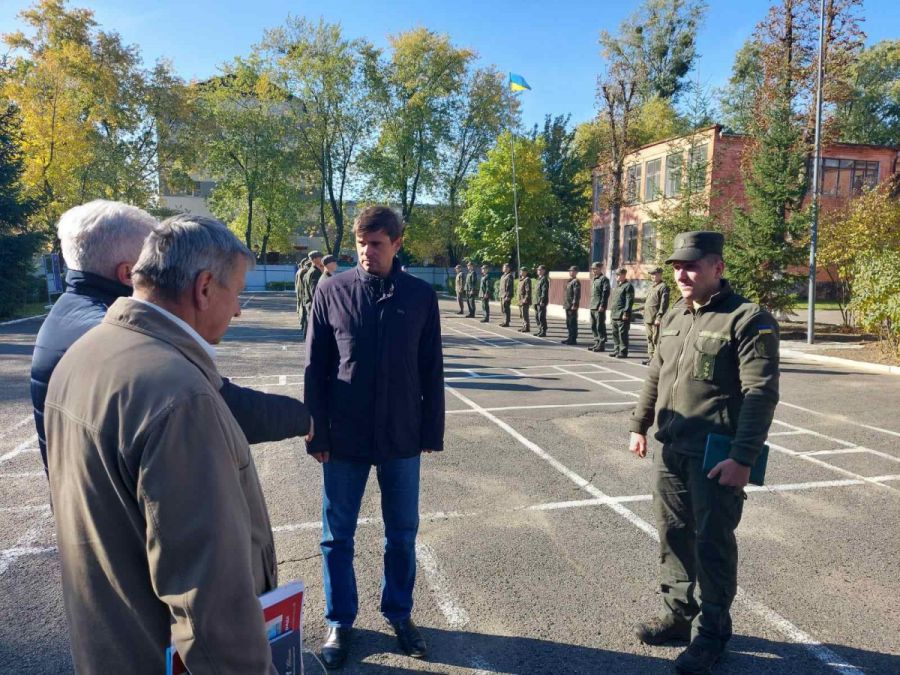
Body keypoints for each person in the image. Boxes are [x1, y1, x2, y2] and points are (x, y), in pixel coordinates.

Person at [45, 214, 301, 673]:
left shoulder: (84, 352)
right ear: (204, 288)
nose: (238, 310)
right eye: (237, 293)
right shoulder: (181, 397)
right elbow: (209, 601)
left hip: (108, 645)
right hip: (154, 652)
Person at [30, 200, 311, 479]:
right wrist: (305, 418)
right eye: (152, 257)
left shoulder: (72, 316)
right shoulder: (118, 340)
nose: (163, 263)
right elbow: (211, 407)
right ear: (128, 273)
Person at [629, 231, 780, 675]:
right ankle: (678, 615)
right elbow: (656, 374)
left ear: (718, 267)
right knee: (673, 535)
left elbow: (760, 393)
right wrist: (639, 424)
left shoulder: (747, 319)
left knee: (712, 544)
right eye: (677, 266)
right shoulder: (676, 313)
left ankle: (711, 634)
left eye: (692, 266)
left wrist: (743, 457)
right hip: (671, 449)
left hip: (715, 456)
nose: (682, 274)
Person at [304, 206, 444, 669]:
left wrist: (431, 429)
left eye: (377, 243)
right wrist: (316, 432)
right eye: (361, 243)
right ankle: (339, 621)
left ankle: (399, 614)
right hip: (344, 437)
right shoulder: (332, 290)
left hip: (401, 435)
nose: (367, 252)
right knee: (336, 537)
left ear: (397, 244)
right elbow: (315, 368)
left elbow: (431, 367)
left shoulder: (419, 296)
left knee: (401, 534)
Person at [643, 266, 670, 365]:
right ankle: (651, 357)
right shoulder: (652, 286)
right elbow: (649, 302)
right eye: (651, 274)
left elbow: (664, 304)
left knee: (656, 339)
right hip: (648, 317)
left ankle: (656, 360)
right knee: (649, 338)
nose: (652, 276)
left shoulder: (663, 287)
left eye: (654, 274)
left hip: (655, 318)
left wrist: (659, 317)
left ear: (660, 274)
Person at [609, 267, 635, 358]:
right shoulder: (618, 286)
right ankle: (616, 350)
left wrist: (626, 313)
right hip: (615, 314)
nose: (617, 276)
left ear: (624, 275)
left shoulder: (628, 286)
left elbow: (629, 300)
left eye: (619, 275)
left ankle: (623, 351)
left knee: (622, 334)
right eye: (616, 275)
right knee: (615, 333)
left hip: (622, 314)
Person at [588, 262, 610, 352]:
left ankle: (601, 344)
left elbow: (605, 293)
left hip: (599, 306)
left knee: (600, 325)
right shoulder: (594, 279)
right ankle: (597, 342)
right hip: (593, 305)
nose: (593, 270)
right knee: (593, 325)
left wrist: (602, 305)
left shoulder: (604, 279)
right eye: (592, 269)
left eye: (595, 269)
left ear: (600, 269)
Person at [562, 266, 581, 345]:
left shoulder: (576, 281)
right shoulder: (570, 281)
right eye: (570, 271)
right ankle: (570, 337)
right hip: (568, 304)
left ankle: (573, 339)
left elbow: (576, 294)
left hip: (572, 305)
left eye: (573, 271)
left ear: (576, 272)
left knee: (572, 322)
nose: (571, 272)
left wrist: (574, 304)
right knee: (569, 322)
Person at [296, 257, 312, 331]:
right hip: (303, 293)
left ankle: (302, 324)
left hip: (301, 293)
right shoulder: (304, 272)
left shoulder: (300, 271)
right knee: (305, 313)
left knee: (302, 310)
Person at [534, 265, 549, 337]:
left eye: (540, 270)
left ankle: (543, 331)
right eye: (538, 269)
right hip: (537, 301)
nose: (538, 271)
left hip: (541, 301)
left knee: (541, 317)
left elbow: (544, 291)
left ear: (544, 271)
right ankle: (540, 330)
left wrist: (542, 300)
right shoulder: (539, 279)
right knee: (537, 316)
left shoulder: (544, 279)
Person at [517, 266, 532, 333]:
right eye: (520, 271)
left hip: (524, 300)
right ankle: (524, 326)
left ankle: (527, 327)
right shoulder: (521, 279)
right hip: (520, 299)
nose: (521, 272)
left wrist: (526, 298)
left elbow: (528, 290)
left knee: (525, 314)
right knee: (522, 314)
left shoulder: (527, 279)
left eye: (523, 271)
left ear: (526, 272)